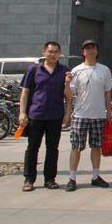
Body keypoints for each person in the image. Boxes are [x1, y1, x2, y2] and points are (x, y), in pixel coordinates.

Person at [19, 41, 72, 191]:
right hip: (36, 114)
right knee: (32, 147)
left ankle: (50, 178)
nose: (53, 54)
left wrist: (68, 113)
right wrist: (22, 113)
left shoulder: (64, 71)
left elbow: (68, 97)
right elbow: (25, 92)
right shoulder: (34, 69)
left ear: (59, 54)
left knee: (52, 148)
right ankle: (29, 178)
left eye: (55, 52)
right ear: (44, 52)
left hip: (55, 115)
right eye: (50, 51)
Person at [66, 39, 112, 192]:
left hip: (99, 114)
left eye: (93, 48)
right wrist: (66, 84)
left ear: (97, 51)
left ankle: (95, 175)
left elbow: (107, 92)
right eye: (87, 48)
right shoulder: (76, 70)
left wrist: (108, 112)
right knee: (76, 147)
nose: (90, 51)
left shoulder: (104, 70)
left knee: (96, 146)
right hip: (81, 114)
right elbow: (70, 95)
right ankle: (72, 177)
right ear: (83, 52)